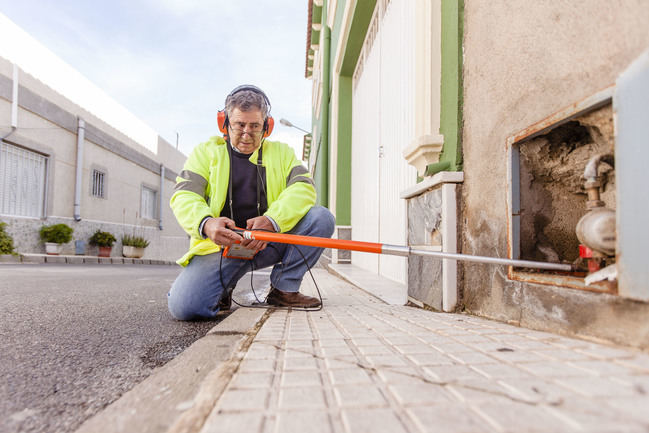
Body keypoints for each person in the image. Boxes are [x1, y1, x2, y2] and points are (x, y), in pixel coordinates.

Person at [167, 84, 335, 320]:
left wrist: (272, 221)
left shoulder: (283, 153)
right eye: (239, 125)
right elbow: (184, 195)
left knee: (320, 218)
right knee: (186, 308)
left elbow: (304, 188)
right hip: (220, 248)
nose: (247, 133)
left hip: (268, 242)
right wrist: (206, 223)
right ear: (224, 123)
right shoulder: (205, 153)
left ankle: (284, 289)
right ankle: (223, 286)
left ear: (267, 126)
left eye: (255, 126)